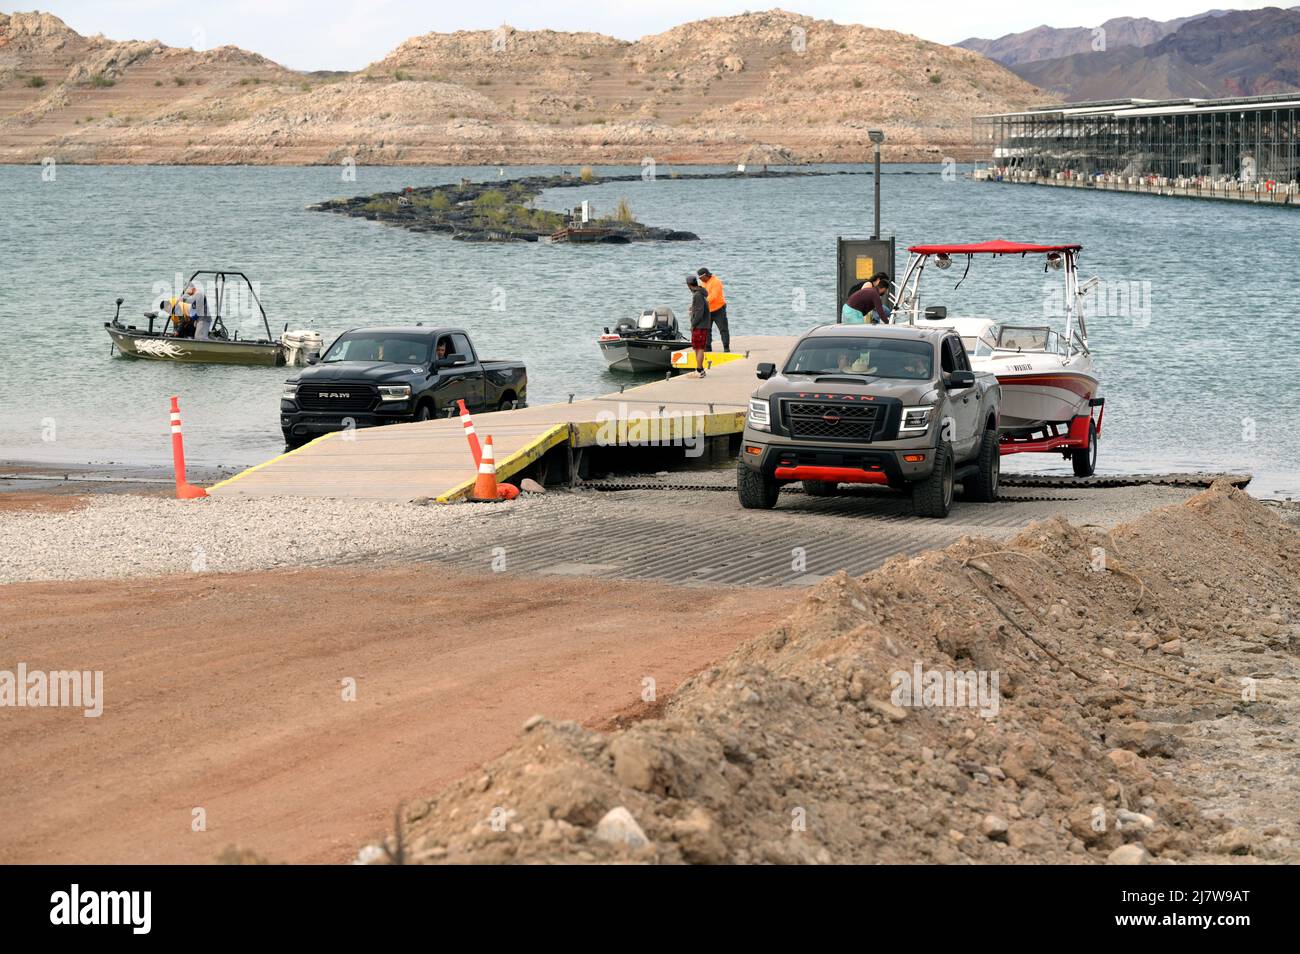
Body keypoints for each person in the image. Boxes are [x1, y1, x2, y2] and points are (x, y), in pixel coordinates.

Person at [696, 267, 729, 352]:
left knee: (723, 329)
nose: (700, 279)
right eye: (699, 278)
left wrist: (702, 303)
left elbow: (713, 296)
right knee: (706, 330)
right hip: (707, 311)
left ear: (706, 275)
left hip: (718, 310)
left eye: (701, 277)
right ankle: (708, 348)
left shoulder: (716, 282)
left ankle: (726, 347)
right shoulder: (703, 283)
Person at [686, 274, 710, 378]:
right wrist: (693, 309)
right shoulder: (699, 293)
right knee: (697, 348)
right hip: (701, 325)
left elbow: (700, 312)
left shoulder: (697, 295)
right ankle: (699, 369)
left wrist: (693, 324)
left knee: (699, 348)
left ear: (689, 285)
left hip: (700, 325)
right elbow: (700, 308)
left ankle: (700, 370)